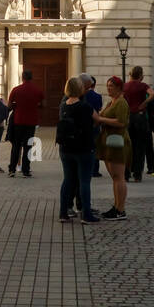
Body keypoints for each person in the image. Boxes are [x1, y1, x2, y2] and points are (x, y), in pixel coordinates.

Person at [56, 77, 98, 224]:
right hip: (84, 148)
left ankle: (63, 213)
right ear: (81, 89)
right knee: (84, 181)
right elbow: (97, 119)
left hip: (65, 148)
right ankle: (86, 214)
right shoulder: (85, 106)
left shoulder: (63, 106)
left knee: (68, 180)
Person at [94, 76, 131, 220]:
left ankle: (120, 209)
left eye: (112, 86)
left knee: (119, 177)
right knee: (115, 177)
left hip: (118, 143)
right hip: (109, 142)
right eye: (108, 85)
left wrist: (101, 119)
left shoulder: (121, 102)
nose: (109, 88)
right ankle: (116, 206)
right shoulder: (111, 102)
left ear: (119, 88)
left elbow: (121, 122)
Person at [6, 70, 42, 178]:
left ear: (22, 78)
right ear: (32, 78)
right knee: (28, 146)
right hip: (31, 122)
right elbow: (42, 103)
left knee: (16, 146)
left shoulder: (16, 90)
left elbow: (9, 106)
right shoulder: (37, 90)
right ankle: (26, 170)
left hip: (18, 121)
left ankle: (12, 169)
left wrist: (16, 106)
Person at [123, 65, 154, 182]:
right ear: (141, 75)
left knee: (128, 147)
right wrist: (144, 103)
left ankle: (126, 174)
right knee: (140, 147)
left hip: (128, 118)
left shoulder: (125, 86)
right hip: (140, 117)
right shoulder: (143, 86)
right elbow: (153, 94)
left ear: (130, 74)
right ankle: (137, 175)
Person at [78, 73, 104, 177]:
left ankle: (84, 168)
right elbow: (99, 108)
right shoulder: (98, 96)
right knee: (95, 147)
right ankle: (95, 170)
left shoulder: (81, 96)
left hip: (83, 125)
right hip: (95, 124)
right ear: (94, 85)